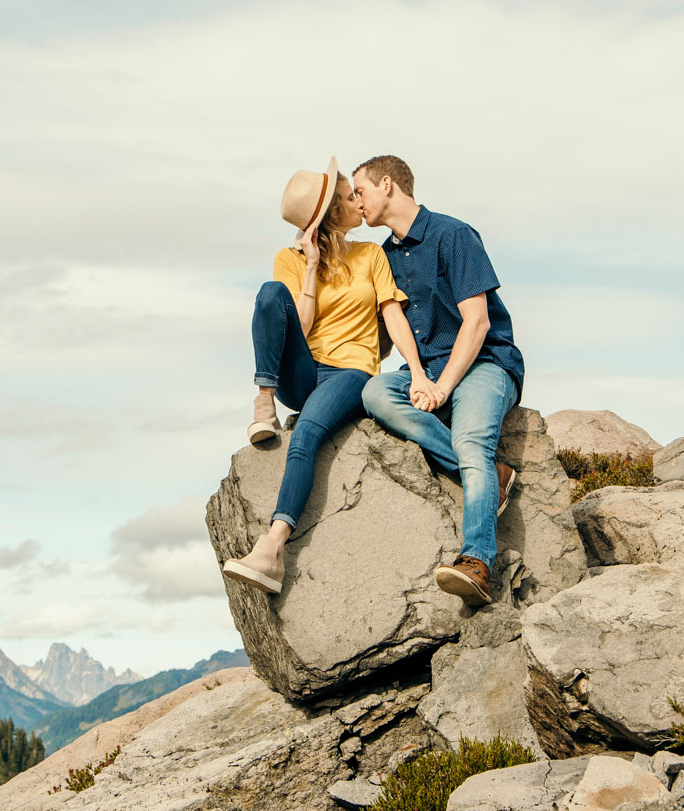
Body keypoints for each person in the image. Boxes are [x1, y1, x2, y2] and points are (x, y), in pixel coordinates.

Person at [222, 157, 434, 595]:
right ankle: (264, 401)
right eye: (348, 196)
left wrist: (417, 374)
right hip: (302, 371)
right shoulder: (291, 258)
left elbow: (392, 315)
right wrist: (313, 267)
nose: (358, 201)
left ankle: (272, 549)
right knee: (269, 294)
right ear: (332, 213)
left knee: (305, 439)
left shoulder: (371, 254)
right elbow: (296, 328)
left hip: (351, 371)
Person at [353, 154, 524, 607]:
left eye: (360, 191)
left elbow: (478, 323)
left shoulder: (453, 234)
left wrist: (441, 388)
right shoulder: (383, 256)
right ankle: (491, 476)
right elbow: (392, 335)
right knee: (374, 393)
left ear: (387, 184)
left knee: (471, 443)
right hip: (425, 369)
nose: (356, 203)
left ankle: (478, 562)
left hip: (485, 363)